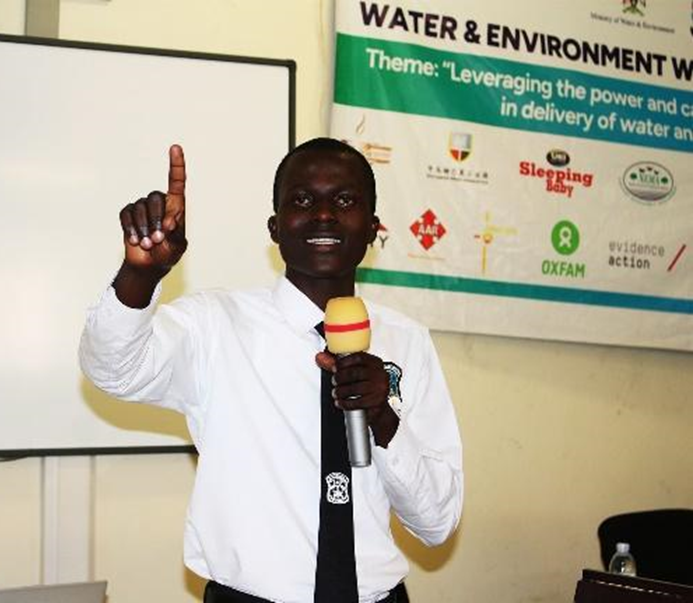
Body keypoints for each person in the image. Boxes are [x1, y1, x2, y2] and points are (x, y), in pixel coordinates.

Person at [79, 138, 463, 603]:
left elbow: (437, 522)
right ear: (275, 227)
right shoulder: (214, 324)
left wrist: (383, 418)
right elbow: (112, 369)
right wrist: (140, 275)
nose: (324, 215)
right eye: (302, 200)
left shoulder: (408, 341)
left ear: (373, 229)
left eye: (345, 200)